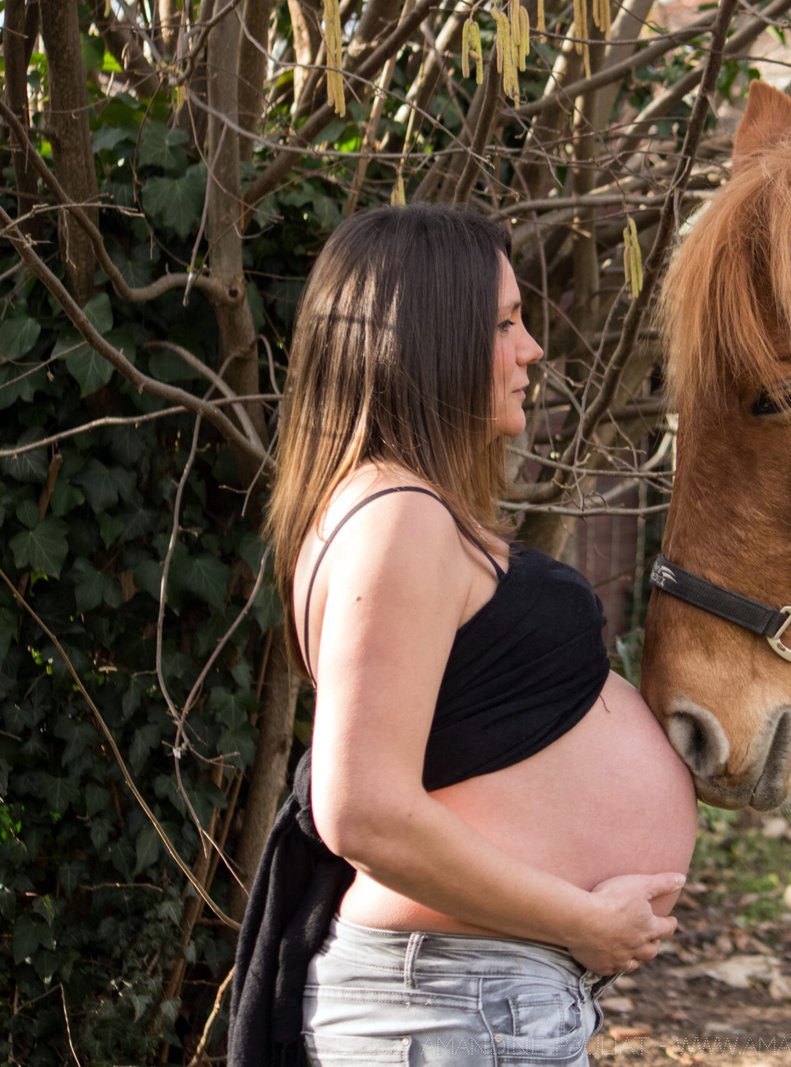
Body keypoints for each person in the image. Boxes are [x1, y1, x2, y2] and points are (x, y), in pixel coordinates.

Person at [228, 205, 698, 1067]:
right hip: (448, 1004)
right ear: (430, 341)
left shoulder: (400, 511)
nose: (533, 349)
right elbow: (363, 810)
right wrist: (583, 921)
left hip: (460, 1002)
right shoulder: (397, 518)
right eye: (505, 323)